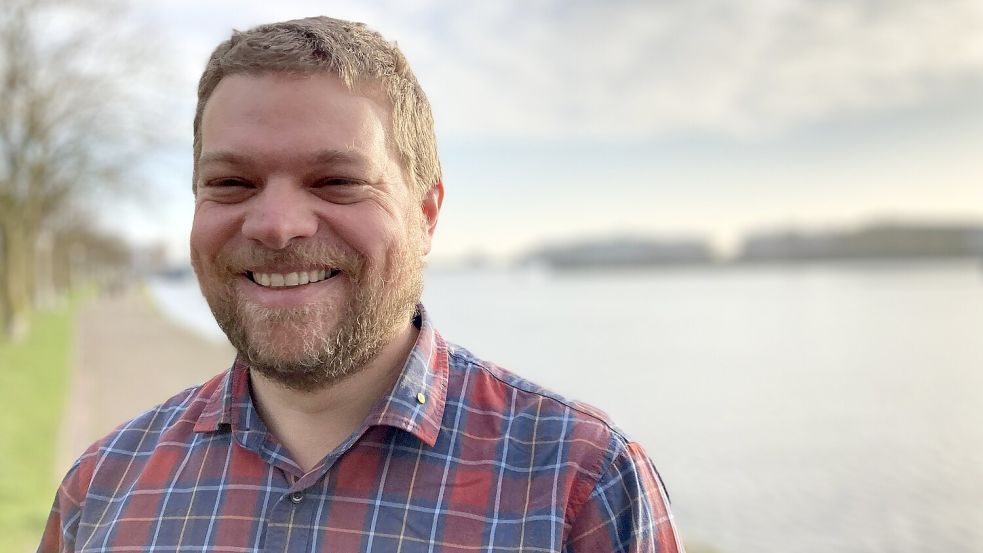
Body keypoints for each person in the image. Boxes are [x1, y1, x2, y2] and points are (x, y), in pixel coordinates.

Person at [39, 16, 684, 552]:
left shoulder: (580, 489)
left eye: (337, 182)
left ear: (426, 212)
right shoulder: (100, 491)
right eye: (232, 184)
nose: (275, 226)